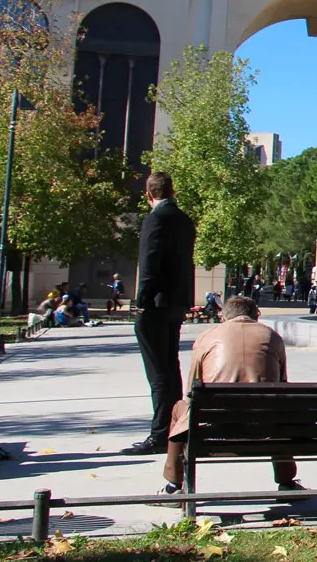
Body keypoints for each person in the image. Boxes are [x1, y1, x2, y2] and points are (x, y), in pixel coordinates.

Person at [154, 296, 305, 501]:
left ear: (223, 317)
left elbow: (192, 389)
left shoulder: (206, 337)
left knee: (178, 409)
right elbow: (283, 383)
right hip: (263, 426)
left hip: (214, 425)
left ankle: (174, 484)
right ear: (256, 316)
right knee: (278, 411)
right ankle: (286, 481)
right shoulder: (272, 337)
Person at [123, 172, 196, 457]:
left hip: (155, 304)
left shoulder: (155, 218)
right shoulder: (184, 220)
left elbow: (149, 263)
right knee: (170, 367)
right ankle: (175, 427)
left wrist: (140, 300)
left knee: (158, 373)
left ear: (148, 194)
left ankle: (159, 434)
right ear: (172, 191)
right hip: (176, 303)